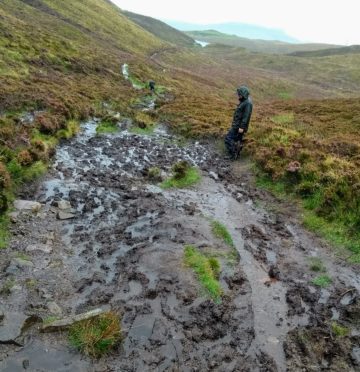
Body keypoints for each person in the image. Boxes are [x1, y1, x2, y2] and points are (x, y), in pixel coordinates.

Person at [224, 86, 253, 160]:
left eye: (239, 94)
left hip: (239, 127)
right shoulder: (244, 101)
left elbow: (246, 116)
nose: (238, 95)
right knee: (237, 140)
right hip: (237, 125)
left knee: (228, 138)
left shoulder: (247, 103)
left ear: (243, 94)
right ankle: (236, 154)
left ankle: (233, 155)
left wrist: (242, 127)